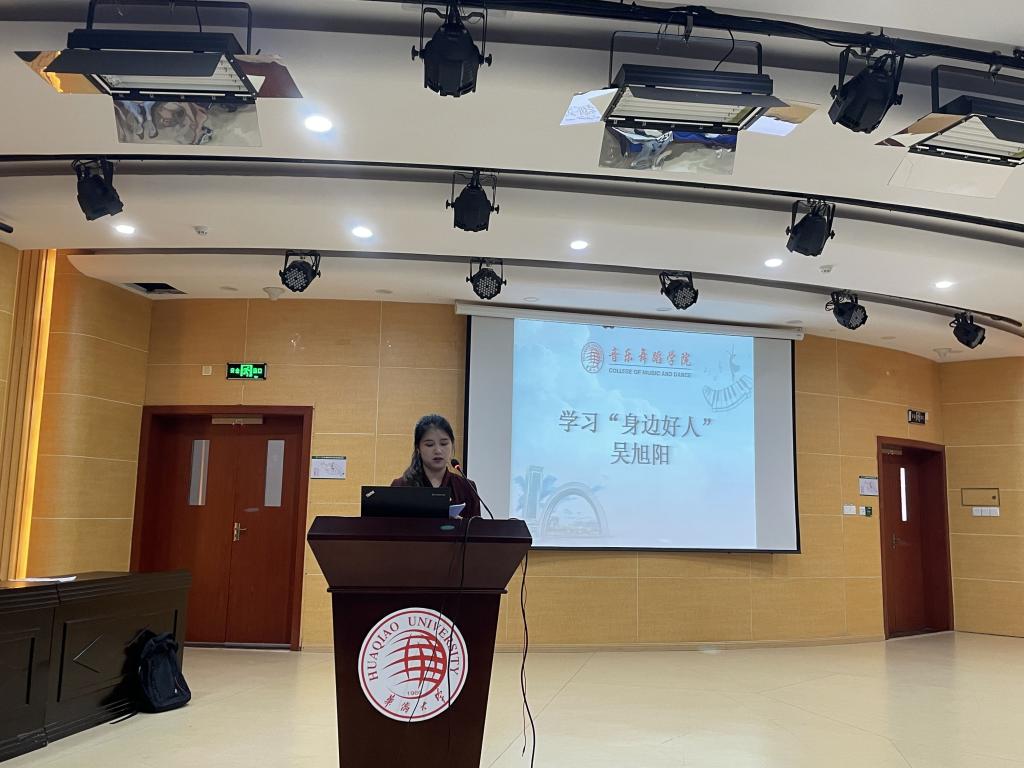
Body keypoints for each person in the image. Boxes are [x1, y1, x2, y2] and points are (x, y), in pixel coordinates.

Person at [391, 414, 480, 518]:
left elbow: (477, 527)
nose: (438, 450)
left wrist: (460, 524)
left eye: (444, 444)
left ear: (452, 445)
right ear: (418, 448)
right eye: (430, 445)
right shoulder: (401, 486)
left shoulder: (467, 488)